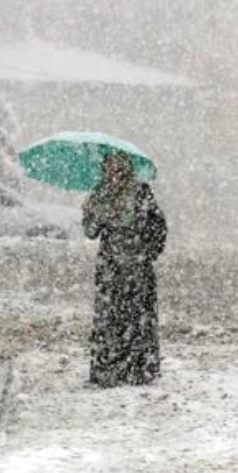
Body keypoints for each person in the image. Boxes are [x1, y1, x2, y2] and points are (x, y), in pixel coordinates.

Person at [82, 151, 167, 387]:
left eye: (120, 167)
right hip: (110, 264)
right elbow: (90, 232)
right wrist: (91, 213)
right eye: (110, 167)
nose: (115, 172)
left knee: (137, 315)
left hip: (137, 264)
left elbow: (156, 225)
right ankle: (109, 369)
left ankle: (138, 369)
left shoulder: (140, 192)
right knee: (111, 315)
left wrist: (145, 250)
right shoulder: (100, 194)